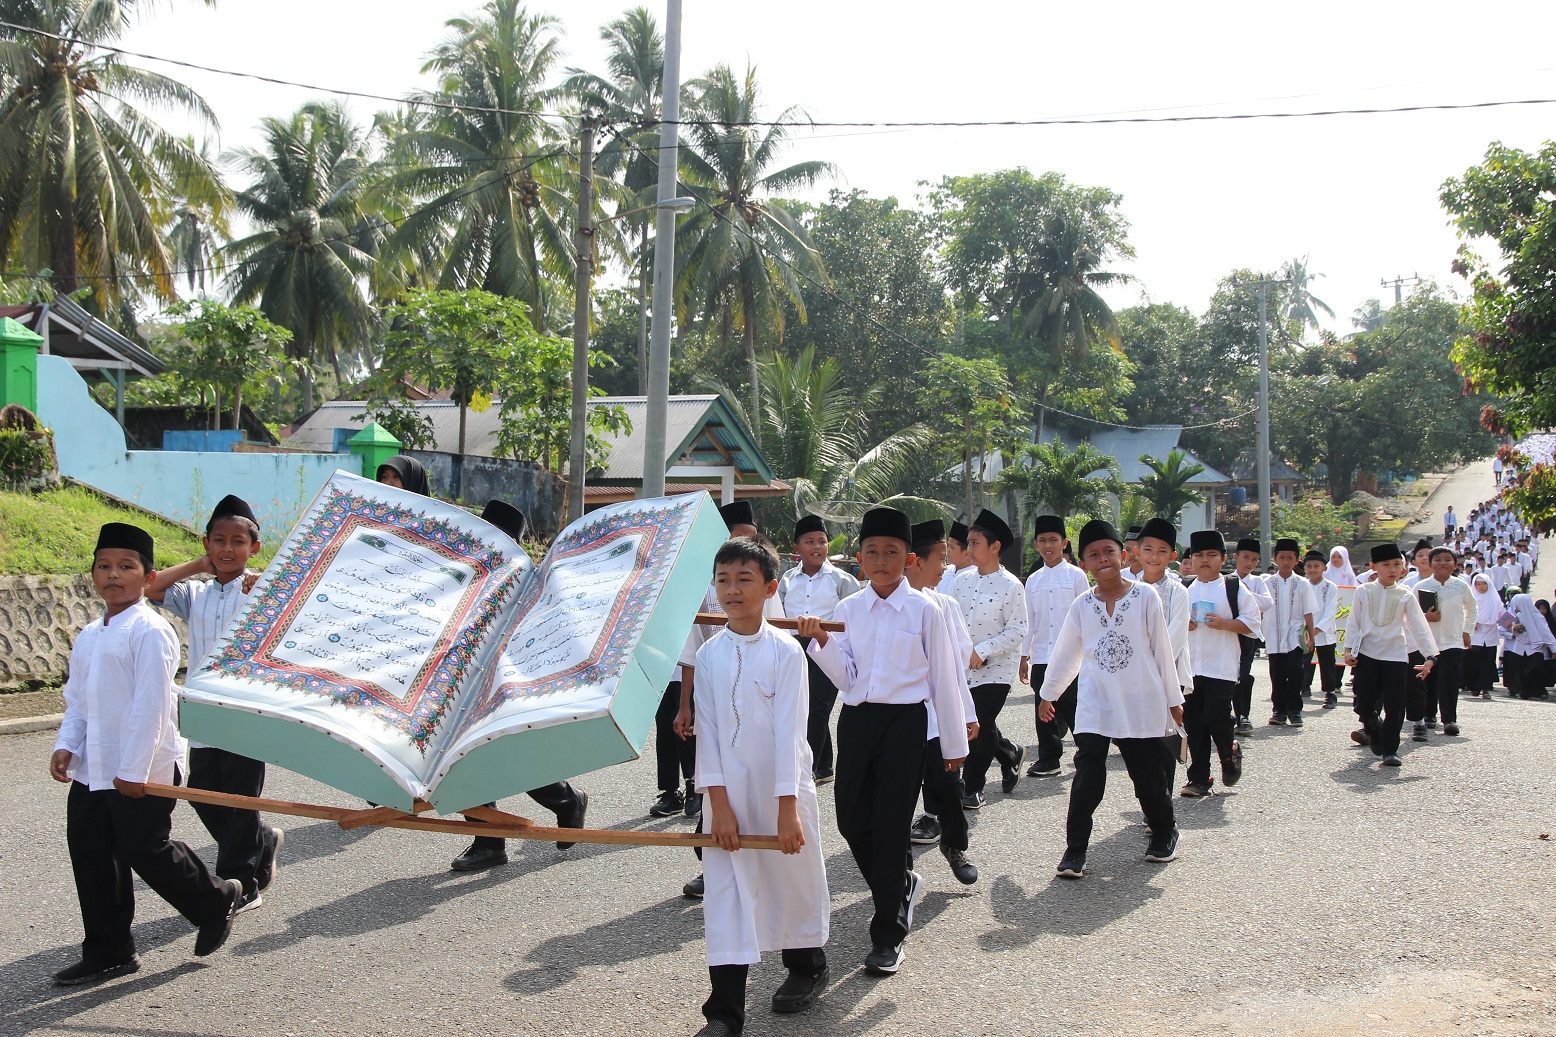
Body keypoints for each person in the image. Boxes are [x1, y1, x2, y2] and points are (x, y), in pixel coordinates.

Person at [49, 523, 242, 986]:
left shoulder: (151, 631)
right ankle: (109, 950)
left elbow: (151, 708)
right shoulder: (90, 634)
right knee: (91, 853)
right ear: (94, 576)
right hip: (93, 765)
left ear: (147, 576)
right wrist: (65, 745)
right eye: (104, 567)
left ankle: (216, 899)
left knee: (145, 849)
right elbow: (78, 700)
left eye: (126, 567)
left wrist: (133, 771)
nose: (113, 575)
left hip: (144, 764)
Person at [798, 507, 969, 976]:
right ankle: (899, 887)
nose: (881, 560)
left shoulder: (926, 610)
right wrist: (821, 644)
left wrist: (954, 743)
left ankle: (888, 933)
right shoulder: (849, 609)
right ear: (859, 558)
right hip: (856, 722)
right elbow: (847, 679)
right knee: (852, 821)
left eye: (891, 552)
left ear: (908, 558)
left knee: (892, 827)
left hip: (906, 724)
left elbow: (946, 679)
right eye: (872, 551)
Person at [692, 537, 829, 1036]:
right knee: (727, 896)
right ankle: (724, 1014)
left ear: (770, 588)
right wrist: (718, 807)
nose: (732, 590)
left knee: (788, 882)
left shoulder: (786, 652)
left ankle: (806, 966)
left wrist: (786, 808)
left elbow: (794, 735)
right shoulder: (709, 657)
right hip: (728, 795)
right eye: (723, 580)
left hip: (780, 793)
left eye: (744, 580)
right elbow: (707, 736)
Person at [146, 495, 281, 913]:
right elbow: (151, 586)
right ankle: (262, 838)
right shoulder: (196, 594)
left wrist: (271, 584)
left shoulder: (263, 590)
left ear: (254, 547)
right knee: (203, 792)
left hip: (245, 710)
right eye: (218, 541)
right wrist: (198, 566)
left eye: (237, 541)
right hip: (203, 709)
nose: (227, 549)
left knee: (239, 796)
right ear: (206, 543)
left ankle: (242, 884)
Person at [1037, 520, 1184, 878]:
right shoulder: (1082, 606)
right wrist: (1047, 694)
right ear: (1084, 562)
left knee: (1147, 776)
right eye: (1093, 554)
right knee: (1088, 774)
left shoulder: (1146, 597)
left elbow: (1163, 652)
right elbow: (1066, 655)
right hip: (1095, 703)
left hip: (1140, 702)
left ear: (1124, 554)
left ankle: (1165, 831)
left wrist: (1173, 699)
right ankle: (1075, 850)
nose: (1102, 559)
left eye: (1109, 551)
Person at [449, 501, 590, 871]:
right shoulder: (468, 573)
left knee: (511, 759)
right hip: (462, 685)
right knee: (466, 761)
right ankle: (489, 841)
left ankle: (567, 801)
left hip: (506, 685)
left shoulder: (524, 582)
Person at [675, 500, 786, 899]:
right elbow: (692, 651)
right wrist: (685, 704)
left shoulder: (762, 584)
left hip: (762, 703)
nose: (733, 587)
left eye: (745, 539)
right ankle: (714, 866)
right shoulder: (707, 584)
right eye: (725, 577)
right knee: (716, 789)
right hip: (717, 695)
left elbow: (778, 636)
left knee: (763, 799)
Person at [902, 520, 980, 886]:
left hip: (938, 717)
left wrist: (967, 713)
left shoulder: (944, 605)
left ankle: (954, 845)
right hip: (901, 720)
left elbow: (955, 667)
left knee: (948, 787)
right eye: (939, 559)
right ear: (915, 561)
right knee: (897, 793)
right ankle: (899, 864)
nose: (945, 567)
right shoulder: (891, 605)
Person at [951, 508, 1028, 809]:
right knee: (974, 721)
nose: (968, 549)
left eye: (975, 543)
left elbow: (1019, 629)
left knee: (980, 722)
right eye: (968, 543)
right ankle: (1009, 753)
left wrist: (982, 651)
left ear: (995, 547)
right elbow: (954, 620)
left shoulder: (1011, 585)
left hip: (997, 668)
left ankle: (973, 786)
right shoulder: (962, 580)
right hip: (963, 667)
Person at [778, 514, 860, 784]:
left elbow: (854, 619)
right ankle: (824, 766)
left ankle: (805, 769)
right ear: (797, 548)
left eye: (822, 541)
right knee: (800, 704)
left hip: (827, 646)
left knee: (818, 707)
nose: (817, 546)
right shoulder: (786, 581)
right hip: (794, 647)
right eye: (809, 541)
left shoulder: (842, 580)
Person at [1344, 543, 1438, 767]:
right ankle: (1375, 729)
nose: (1392, 569)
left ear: (1403, 568)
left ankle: (1390, 751)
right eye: (1386, 565)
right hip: (1367, 653)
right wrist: (1349, 650)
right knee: (1364, 703)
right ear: (1373, 567)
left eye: (1397, 564)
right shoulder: (1363, 591)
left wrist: (1430, 656)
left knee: (1395, 705)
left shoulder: (1405, 595)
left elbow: (1418, 625)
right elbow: (1353, 622)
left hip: (1396, 655)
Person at [1183, 531, 1258, 797]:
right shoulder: (1184, 590)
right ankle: (1199, 778)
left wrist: (1225, 624)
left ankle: (1229, 753)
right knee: (1193, 724)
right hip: (1191, 668)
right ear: (1191, 559)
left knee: (1215, 717)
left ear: (1223, 558)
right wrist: (1184, 625)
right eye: (1199, 555)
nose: (1205, 561)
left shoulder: (1233, 588)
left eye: (1212, 555)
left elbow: (1252, 624)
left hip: (1222, 666)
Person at [1019, 516, 1092, 778]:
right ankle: (1049, 759)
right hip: (1042, 655)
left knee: (1074, 707)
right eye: (1042, 541)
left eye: (1053, 540)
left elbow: (1086, 616)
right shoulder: (1033, 580)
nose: (1048, 545)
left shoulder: (1076, 576)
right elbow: (1030, 620)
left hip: (1071, 656)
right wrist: (1024, 656)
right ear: (1036, 544)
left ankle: (1088, 754)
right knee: (1044, 710)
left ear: (1064, 543)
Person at [1410, 547, 1476, 738]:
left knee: (1449, 681)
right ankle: (1428, 715)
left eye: (1448, 560)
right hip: (1427, 644)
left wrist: (1467, 631)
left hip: (1453, 642)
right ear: (1430, 564)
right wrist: (1426, 617)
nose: (1442, 563)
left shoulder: (1461, 586)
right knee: (1427, 681)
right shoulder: (1420, 587)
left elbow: (1472, 609)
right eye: (1437, 560)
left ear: (1455, 564)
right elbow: (1411, 615)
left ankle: (1449, 720)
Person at [1263, 538, 1316, 727]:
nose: (1286, 562)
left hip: (1295, 635)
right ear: (1275, 559)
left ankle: (1294, 710)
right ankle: (1278, 710)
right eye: (1282, 557)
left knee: (1295, 671)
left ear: (1296, 560)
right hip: (1273, 635)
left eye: (1290, 558)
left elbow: (1308, 610)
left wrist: (1312, 636)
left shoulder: (1302, 584)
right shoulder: (1267, 583)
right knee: (1276, 674)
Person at [1230, 538, 1273, 736]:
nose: (1249, 563)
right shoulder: (1226, 580)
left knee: (1244, 675)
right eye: (1246, 557)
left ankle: (1243, 715)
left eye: (1254, 560)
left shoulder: (1258, 582)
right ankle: (1227, 714)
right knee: (1227, 675)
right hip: (1227, 633)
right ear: (1235, 557)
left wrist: (1242, 592)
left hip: (1248, 635)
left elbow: (1267, 603)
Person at [1301, 550, 1344, 708]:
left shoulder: (1330, 587)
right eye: (1309, 566)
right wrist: (1306, 631)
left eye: (1316, 566)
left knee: (1327, 662)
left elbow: (1331, 611)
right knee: (1305, 661)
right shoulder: (1302, 585)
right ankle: (1304, 687)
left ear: (1324, 568)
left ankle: (1330, 692)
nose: (1313, 569)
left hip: (1323, 631)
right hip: (1305, 631)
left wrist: (1316, 630)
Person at [1468, 574, 1501, 700]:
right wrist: (1471, 622)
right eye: (1478, 584)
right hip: (1475, 635)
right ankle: (1474, 687)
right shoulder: (1471, 597)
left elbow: (1501, 613)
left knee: (1487, 663)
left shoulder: (1494, 598)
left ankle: (1486, 688)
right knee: (1474, 662)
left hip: (1491, 634)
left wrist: (1508, 623)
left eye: (1484, 584)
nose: (1481, 587)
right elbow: (1465, 612)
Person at [936, 522, 974, 595]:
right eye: (948, 546)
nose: (948, 551)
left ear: (966, 553)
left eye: (952, 547)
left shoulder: (974, 576)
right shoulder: (945, 571)